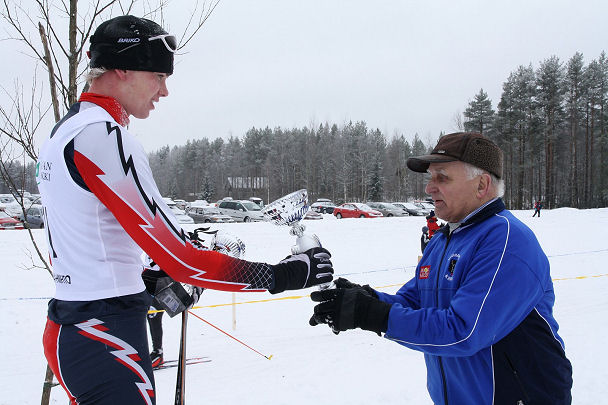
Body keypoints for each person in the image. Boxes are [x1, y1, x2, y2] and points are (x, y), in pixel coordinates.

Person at [38, 15, 333, 405]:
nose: (164, 91)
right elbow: (183, 261)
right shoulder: (103, 136)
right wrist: (290, 273)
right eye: (158, 75)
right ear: (122, 68)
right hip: (103, 335)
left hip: (85, 325)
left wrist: (142, 279)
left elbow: (88, 238)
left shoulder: (70, 127)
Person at [310, 132, 572, 405]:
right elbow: (412, 303)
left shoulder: (506, 240)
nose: (429, 188)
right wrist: (363, 300)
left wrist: (371, 314)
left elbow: (463, 331)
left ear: (481, 184)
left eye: (442, 178)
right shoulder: (443, 240)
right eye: (430, 178)